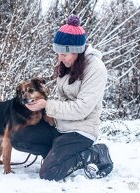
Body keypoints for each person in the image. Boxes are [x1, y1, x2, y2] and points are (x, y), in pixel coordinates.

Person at [11, 15, 113, 181]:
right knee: (18, 137)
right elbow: (63, 100)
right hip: (60, 127)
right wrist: (40, 107)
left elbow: (81, 109)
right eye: (58, 53)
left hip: (80, 132)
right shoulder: (67, 64)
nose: (60, 58)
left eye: (64, 54)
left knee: (49, 173)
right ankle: (56, 155)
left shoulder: (96, 69)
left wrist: (47, 105)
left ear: (78, 50)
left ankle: (94, 154)